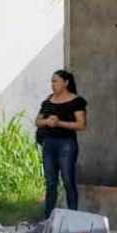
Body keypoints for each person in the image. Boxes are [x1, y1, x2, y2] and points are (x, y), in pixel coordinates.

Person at [35, 70, 87, 218]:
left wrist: (60, 123)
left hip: (66, 144)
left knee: (68, 180)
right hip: (49, 143)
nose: (53, 85)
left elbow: (81, 125)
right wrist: (47, 121)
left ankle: (72, 216)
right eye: (52, 81)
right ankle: (48, 217)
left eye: (56, 81)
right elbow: (38, 121)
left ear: (66, 83)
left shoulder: (76, 101)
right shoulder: (49, 100)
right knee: (50, 182)